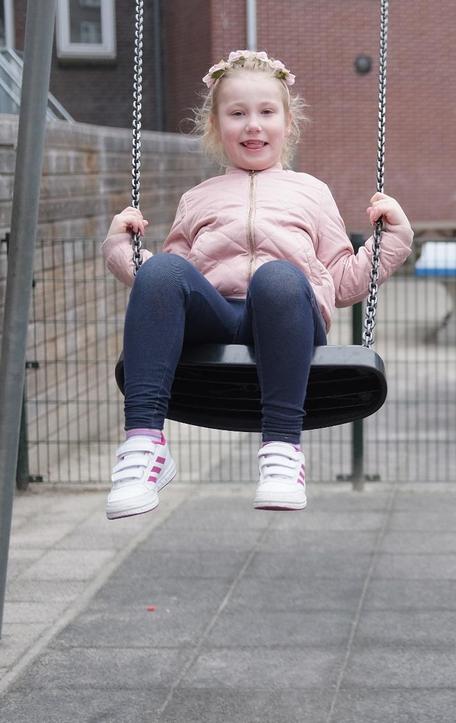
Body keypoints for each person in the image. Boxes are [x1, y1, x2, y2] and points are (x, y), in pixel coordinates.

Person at [100, 50, 413, 519]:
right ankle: (145, 446)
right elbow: (170, 287)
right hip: (215, 319)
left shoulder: (311, 192)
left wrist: (391, 238)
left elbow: (343, 282)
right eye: (237, 113)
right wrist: (123, 250)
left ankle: (283, 451)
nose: (253, 125)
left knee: (279, 277)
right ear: (215, 125)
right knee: (162, 269)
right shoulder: (197, 197)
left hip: (288, 319)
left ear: (288, 123)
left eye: (267, 112)